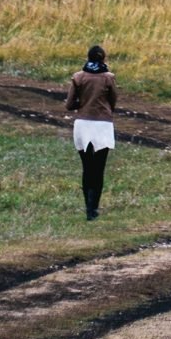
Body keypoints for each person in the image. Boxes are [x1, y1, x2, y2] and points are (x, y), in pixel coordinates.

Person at [63, 44, 120, 219]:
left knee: (87, 168)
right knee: (99, 169)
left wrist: (84, 103)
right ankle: (94, 209)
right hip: (102, 125)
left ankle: (87, 208)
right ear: (103, 58)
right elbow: (113, 102)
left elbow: (69, 105)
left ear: (87, 58)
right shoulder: (108, 78)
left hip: (83, 125)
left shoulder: (78, 77)